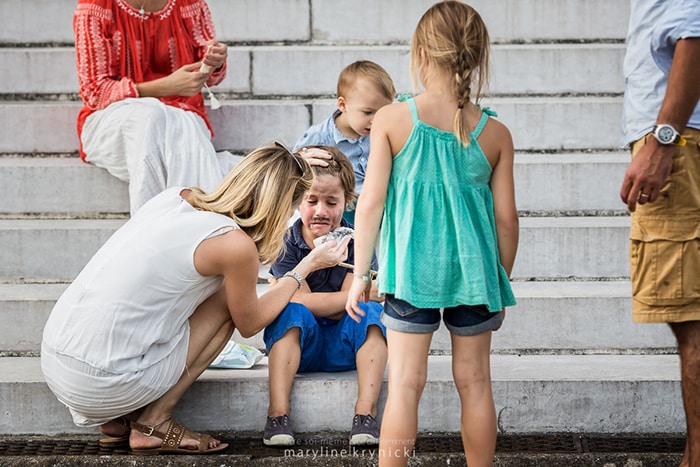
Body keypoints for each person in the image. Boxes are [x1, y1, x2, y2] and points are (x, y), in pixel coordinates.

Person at [41, 144, 352, 455]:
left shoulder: (176, 197)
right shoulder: (235, 246)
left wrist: (291, 162)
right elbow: (251, 323)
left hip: (56, 358)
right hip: (102, 381)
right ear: (279, 206)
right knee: (230, 306)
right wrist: (308, 264)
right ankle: (154, 422)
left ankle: (115, 420)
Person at [345, 2, 519, 466]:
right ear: (477, 56)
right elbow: (507, 221)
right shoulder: (496, 133)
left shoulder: (392, 120)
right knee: (476, 382)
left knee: (404, 384)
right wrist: (498, 278)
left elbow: (371, 204)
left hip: (411, 272)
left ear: (420, 52)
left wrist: (362, 272)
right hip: (475, 274)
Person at [618, 1, 700, 465]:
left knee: (691, 317)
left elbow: (694, 35)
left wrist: (663, 140)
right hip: (682, 136)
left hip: (680, 142)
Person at [262, 146, 387, 447]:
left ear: (347, 202)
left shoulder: (356, 241)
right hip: (301, 347)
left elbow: (365, 299)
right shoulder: (288, 242)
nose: (320, 211)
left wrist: (359, 297)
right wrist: (357, 296)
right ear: (297, 202)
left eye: (332, 202)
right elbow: (299, 302)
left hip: (346, 346)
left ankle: (365, 413)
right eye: (311, 200)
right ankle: (278, 413)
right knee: (291, 313)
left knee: (370, 316)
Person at [74, 0, 235, 215]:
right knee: (151, 117)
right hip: (114, 122)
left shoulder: (191, 4)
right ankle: (190, 228)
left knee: (172, 122)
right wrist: (165, 86)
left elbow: (211, 75)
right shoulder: (97, 7)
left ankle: (152, 233)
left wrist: (214, 62)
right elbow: (95, 91)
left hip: (181, 116)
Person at [293, 61, 396, 224]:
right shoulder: (321, 136)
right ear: (343, 105)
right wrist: (300, 160)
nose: (376, 120)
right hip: (343, 208)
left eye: (383, 112)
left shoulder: (381, 130)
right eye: (368, 112)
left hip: (378, 204)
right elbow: (292, 166)